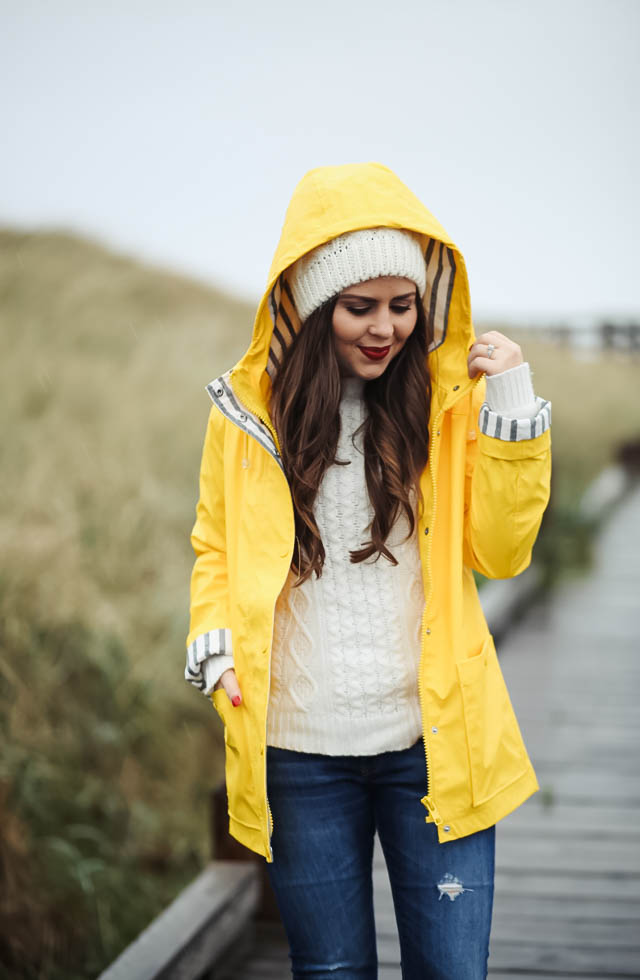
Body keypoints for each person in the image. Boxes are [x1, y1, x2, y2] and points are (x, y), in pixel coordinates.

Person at [184, 162, 552, 979]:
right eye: (359, 307)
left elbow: (502, 550)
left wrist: (512, 407)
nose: (384, 327)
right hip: (299, 752)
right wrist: (210, 635)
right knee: (330, 973)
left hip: (433, 744)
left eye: (402, 304)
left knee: (452, 972)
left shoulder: (449, 406)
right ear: (316, 308)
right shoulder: (245, 420)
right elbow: (216, 545)